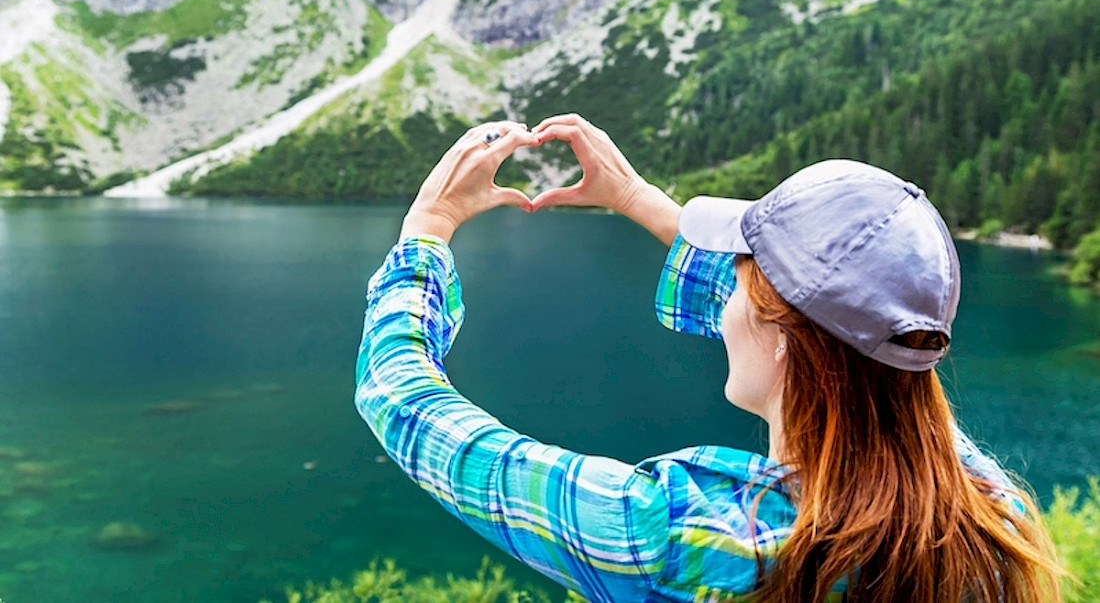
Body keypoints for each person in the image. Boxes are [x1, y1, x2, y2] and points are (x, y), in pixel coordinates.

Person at [354, 114, 1063, 601]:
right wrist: (635, 198)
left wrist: (427, 229)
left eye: (742, 284)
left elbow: (402, 401)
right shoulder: (991, 519)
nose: (725, 306)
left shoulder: (677, 538)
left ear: (783, 338)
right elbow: (834, 323)